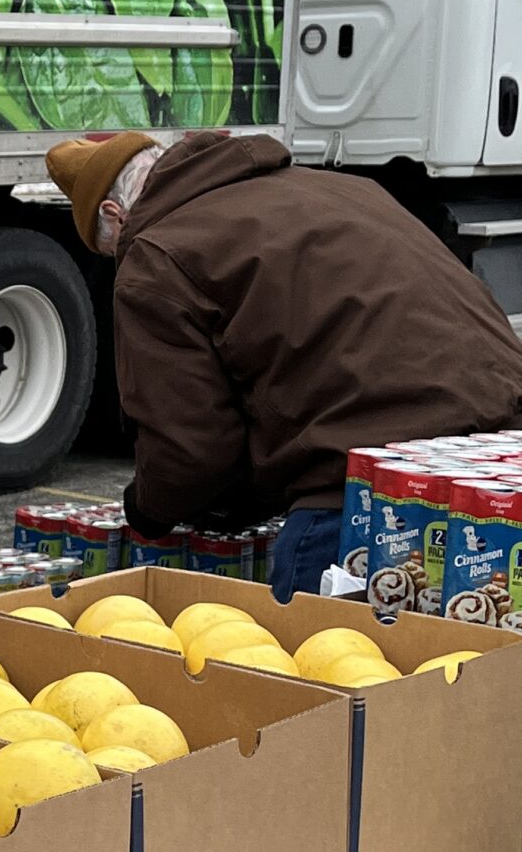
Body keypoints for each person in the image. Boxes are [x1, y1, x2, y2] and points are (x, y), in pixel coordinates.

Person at [49, 127, 522, 601]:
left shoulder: (157, 253)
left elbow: (191, 450)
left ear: (115, 214)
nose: (120, 257)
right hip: (500, 466)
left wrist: (147, 511)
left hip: (362, 490)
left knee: (322, 662)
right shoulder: (345, 188)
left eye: (111, 247)